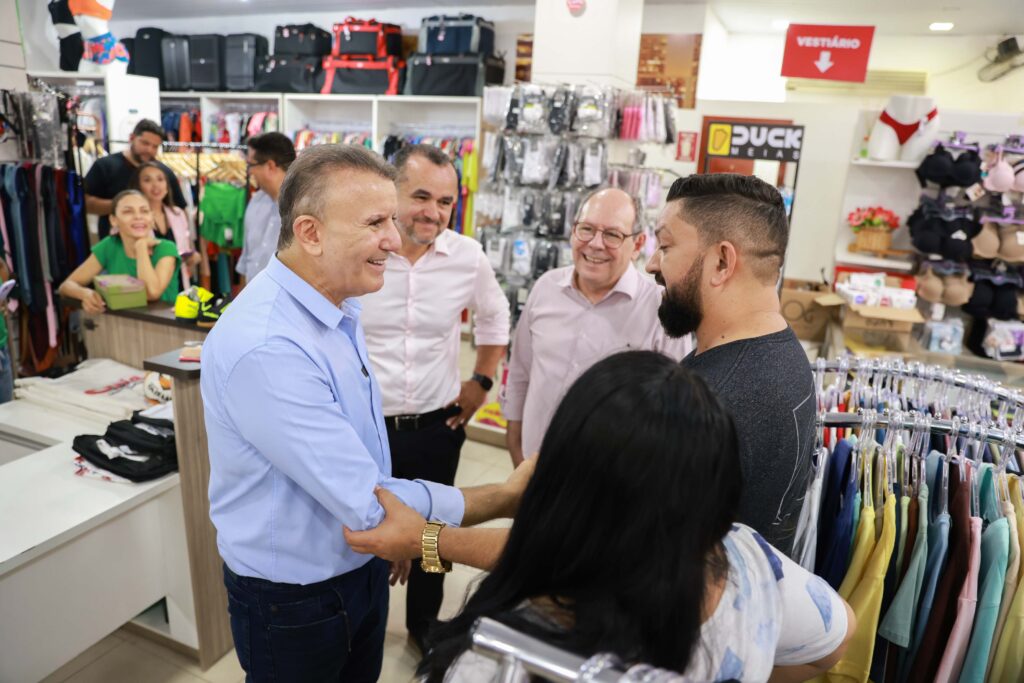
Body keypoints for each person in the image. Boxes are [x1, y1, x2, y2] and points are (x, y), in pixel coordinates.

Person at [200, 144, 532, 683]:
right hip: (297, 601)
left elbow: (364, 465)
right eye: (377, 222)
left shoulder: (337, 304)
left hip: (356, 570)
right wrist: (504, 497)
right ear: (310, 233)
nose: (395, 241)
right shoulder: (269, 347)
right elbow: (370, 504)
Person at [351, 352, 855, 682]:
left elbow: (563, 555)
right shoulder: (749, 559)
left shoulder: (503, 659)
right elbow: (836, 639)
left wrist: (434, 537)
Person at [360, 144, 511, 652]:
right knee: (363, 530)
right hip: (365, 430)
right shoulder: (362, 250)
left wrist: (481, 384)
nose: (433, 212)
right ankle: (360, 622)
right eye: (421, 195)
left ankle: (424, 626)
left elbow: (495, 318)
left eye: (445, 201)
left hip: (435, 427)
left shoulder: (466, 256)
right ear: (392, 190)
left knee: (434, 536)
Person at [645, 173, 815, 558]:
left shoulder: (709, 404)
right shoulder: (787, 357)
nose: (652, 264)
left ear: (722, 261)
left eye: (665, 246)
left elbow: (619, 560)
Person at [503, 186, 691, 466]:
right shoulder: (546, 288)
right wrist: (515, 446)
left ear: (638, 245)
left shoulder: (659, 310)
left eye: (612, 234)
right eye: (586, 229)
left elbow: (676, 411)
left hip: (611, 485)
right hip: (533, 468)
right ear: (572, 231)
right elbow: (520, 372)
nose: (595, 244)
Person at [58, 190, 181, 310]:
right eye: (128, 212)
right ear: (113, 220)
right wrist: (86, 294)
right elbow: (66, 286)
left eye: (144, 211)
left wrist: (141, 248)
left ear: (152, 217)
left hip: (164, 326)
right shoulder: (109, 245)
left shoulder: (166, 248)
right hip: (120, 324)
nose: (138, 217)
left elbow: (152, 293)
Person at [84, 119, 187, 239]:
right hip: (116, 244)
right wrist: (124, 205)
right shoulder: (105, 166)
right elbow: (86, 203)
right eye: (145, 143)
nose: (149, 150)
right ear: (132, 138)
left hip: (159, 246)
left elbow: (179, 207)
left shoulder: (163, 173)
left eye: (155, 146)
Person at [130, 161, 200, 290]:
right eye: (147, 180)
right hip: (146, 286)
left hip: (178, 284)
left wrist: (192, 256)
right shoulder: (131, 219)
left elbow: (186, 248)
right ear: (138, 186)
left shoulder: (178, 214)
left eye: (160, 179)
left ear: (167, 185)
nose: (156, 185)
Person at [236, 132, 294, 286]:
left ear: (270, 166)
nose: (249, 171)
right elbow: (247, 260)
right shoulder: (256, 202)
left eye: (251, 164)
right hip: (253, 303)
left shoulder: (303, 207)